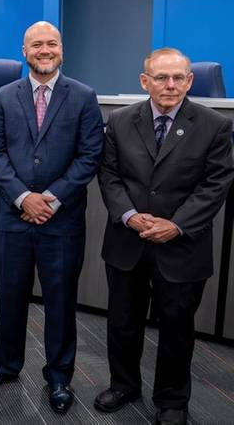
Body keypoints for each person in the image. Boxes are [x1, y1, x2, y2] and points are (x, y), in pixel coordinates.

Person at [95, 48, 234, 425]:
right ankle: (124, 385)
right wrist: (130, 215)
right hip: (127, 241)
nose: (170, 85)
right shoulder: (120, 121)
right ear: (145, 81)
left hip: (182, 246)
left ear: (190, 81)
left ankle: (172, 400)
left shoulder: (214, 125)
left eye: (178, 78)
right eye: (161, 77)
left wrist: (176, 224)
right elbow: (109, 175)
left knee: (177, 328)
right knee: (122, 322)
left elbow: (216, 183)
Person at [0, 21, 104, 414]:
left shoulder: (83, 96)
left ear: (61, 50)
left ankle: (59, 377)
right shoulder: (3, 97)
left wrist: (49, 198)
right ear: (24, 51)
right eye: (36, 45)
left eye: (51, 44)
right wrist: (22, 198)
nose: (44, 50)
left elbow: (89, 157)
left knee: (60, 302)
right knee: (10, 297)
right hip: (13, 220)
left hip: (61, 221)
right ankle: (5, 365)